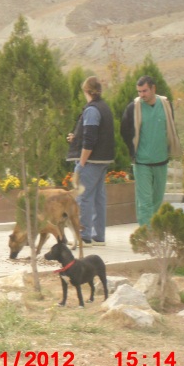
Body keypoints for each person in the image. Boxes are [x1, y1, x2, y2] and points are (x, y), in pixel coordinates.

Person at [121, 75, 182, 226]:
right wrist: (133, 149)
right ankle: (147, 236)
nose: (142, 95)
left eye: (145, 91)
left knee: (157, 200)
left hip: (161, 160)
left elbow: (170, 127)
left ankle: (153, 229)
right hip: (142, 162)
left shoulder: (165, 104)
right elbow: (124, 130)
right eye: (139, 91)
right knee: (145, 202)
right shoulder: (133, 108)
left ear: (153, 88)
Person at [66, 76, 115, 246]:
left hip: (91, 160)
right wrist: (76, 136)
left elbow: (90, 139)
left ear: (86, 91)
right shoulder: (104, 107)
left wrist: (82, 162)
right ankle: (98, 236)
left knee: (84, 197)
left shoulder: (92, 110)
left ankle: (85, 236)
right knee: (98, 198)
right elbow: (96, 134)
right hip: (103, 160)